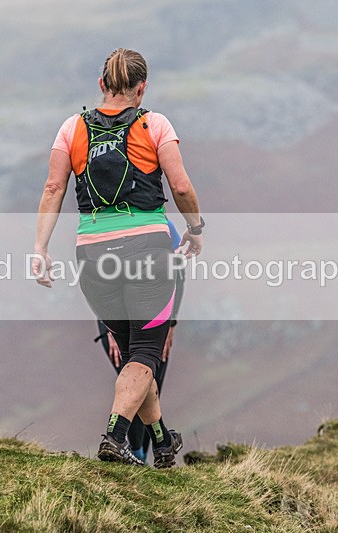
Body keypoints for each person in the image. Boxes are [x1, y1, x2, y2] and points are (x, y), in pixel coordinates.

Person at [33, 48, 204, 468]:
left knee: (134, 356)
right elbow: (180, 186)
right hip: (147, 252)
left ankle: (162, 442)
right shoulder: (154, 124)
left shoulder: (71, 129)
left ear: (101, 85)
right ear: (141, 88)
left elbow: (54, 189)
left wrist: (40, 248)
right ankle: (115, 436)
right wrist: (196, 229)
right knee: (146, 352)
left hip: (91, 258)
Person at [94, 218, 186, 464]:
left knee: (148, 383)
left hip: (156, 315)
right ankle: (139, 450)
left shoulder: (161, 221)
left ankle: (157, 447)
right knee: (134, 385)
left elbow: (179, 273)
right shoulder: (105, 219)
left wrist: (171, 323)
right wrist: (109, 328)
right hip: (115, 322)